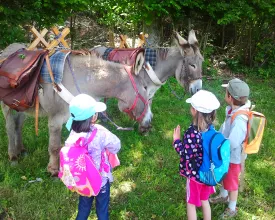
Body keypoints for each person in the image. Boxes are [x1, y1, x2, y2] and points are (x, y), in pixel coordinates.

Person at [65, 94, 121, 220]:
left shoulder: (73, 134)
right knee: (102, 211)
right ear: (94, 117)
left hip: (83, 182)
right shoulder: (100, 132)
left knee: (83, 209)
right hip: (100, 181)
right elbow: (116, 146)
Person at [173, 90, 220, 220]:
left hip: (194, 176)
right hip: (208, 173)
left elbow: (185, 154)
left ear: (194, 110)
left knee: (191, 203)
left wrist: (176, 141)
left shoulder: (192, 132)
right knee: (205, 201)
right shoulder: (211, 129)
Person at [209, 78, 250, 219]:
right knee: (224, 175)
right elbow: (225, 130)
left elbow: (232, 143)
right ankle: (223, 195)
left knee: (232, 182)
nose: (224, 93)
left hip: (233, 158)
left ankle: (232, 207)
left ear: (230, 97)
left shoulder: (239, 120)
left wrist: (219, 146)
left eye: (226, 92)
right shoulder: (233, 110)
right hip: (226, 155)